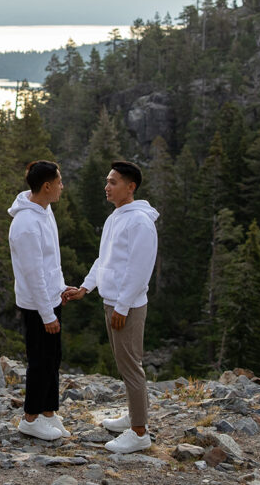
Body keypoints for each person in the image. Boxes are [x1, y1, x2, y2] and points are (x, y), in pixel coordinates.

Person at [63, 160, 158, 453]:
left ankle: (140, 433)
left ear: (131, 187)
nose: (107, 187)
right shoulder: (117, 217)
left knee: (131, 367)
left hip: (125, 306)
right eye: (107, 181)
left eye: (113, 182)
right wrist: (85, 287)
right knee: (125, 364)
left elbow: (140, 269)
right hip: (114, 302)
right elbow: (104, 260)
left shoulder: (139, 221)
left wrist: (123, 306)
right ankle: (133, 415)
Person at [8, 160, 70, 441]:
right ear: (46, 186)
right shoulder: (26, 224)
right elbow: (33, 275)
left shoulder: (45, 211)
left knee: (52, 358)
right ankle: (30, 418)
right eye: (59, 182)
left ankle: (48, 411)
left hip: (49, 297)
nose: (61, 186)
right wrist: (47, 314)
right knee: (39, 359)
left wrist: (60, 288)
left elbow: (50, 262)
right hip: (36, 305)